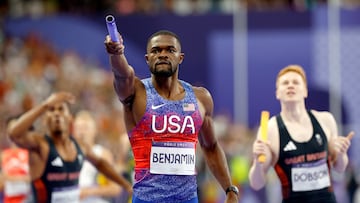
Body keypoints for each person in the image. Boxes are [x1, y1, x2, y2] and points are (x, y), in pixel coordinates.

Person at [104, 29, 239, 203]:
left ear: (180, 57)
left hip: (188, 199)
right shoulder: (136, 91)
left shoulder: (200, 98)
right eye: (156, 50)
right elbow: (122, 74)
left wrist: (230, 189)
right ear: (147, 58)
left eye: (170, 50)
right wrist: (117, 54)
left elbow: (211, 147)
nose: (162, 54)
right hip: (146, 199)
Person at [248, 64, 355, 203]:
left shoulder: (325, 120)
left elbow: (340, 168)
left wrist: (341, 154)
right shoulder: (270, 129)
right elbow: (256, 183)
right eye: (285, 83)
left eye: (296, 82)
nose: (290, 86)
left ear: (305, 91)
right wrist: (257, 162)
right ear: (277, 93)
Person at [7, 91, 132, 203]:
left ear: (70, 119)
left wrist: (126, 185)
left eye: (61, 109)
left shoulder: (80, 145)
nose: (56, 113)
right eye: (51, 110)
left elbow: (100, 163)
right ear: (45, 119)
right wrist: (44, 105)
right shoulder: (40, 145)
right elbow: (14, 134)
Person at [72, 110, 123, 203]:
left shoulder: (102, 154)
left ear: (94, 131)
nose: (82, 132)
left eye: (85, 128)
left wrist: (89, 192)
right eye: (78, 128)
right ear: (73, 131)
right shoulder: (67, 153)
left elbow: (116, 188)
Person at [1, 116, 31, 203]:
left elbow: (36, 178)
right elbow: (2, 182)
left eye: (16, 128)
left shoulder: (31, 153)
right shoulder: (3, 155)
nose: (14, 132)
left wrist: (12, 178)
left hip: (28, 199)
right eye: (10, 129)